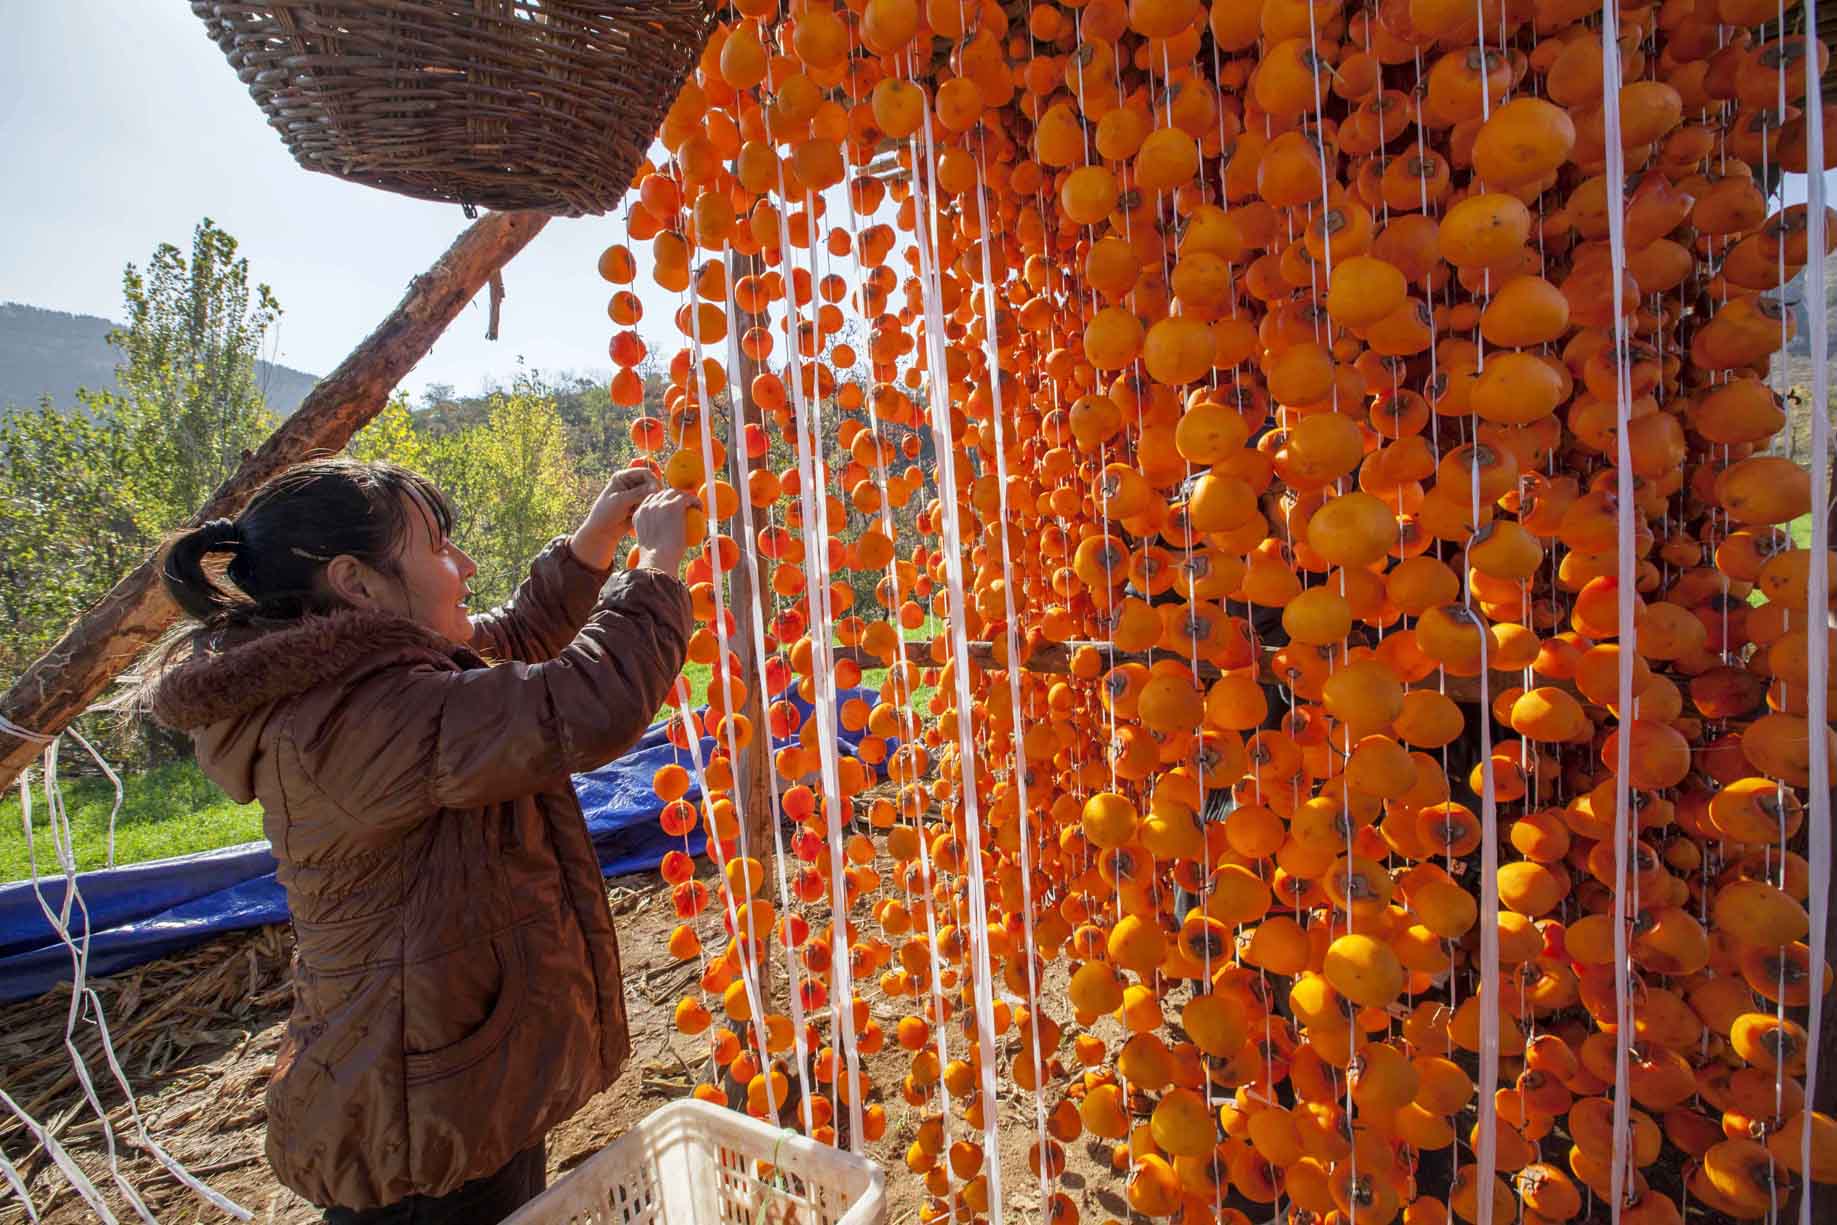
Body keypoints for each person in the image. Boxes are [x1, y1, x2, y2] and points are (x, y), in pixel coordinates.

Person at [145, 457, 697, 1223]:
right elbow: (576, 702)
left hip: (447, 1058)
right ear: (357, 582)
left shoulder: (351, 676)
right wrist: (655, 571)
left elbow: (502, 651)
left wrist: (588, 546)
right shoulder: (350, 718)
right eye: (438, 547)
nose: (464, 565)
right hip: (419, 1112)